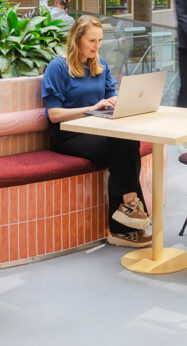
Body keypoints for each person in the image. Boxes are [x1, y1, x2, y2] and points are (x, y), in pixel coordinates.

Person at [41, 15, 152, 248]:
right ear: (77, 39)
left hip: (96, 129)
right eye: (92, 40)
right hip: (67, 134)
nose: (97, 46)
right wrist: (92, 108)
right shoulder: (57, 67)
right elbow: (53, 114)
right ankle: (127, 217)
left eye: (100, 40)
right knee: (121, 146)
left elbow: (111, 96)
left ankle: (125, 219)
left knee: (126, 142)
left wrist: (117, 101)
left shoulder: (99, 64)